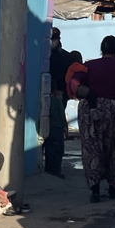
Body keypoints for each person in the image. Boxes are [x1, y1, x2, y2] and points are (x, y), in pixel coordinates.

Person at [68, 35, 115, 203]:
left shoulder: (89, 65)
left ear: (102, 50)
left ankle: (95, 191)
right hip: (114, 110)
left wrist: (89, 96)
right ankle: (113, 188)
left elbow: (75, 82)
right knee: (113, 149)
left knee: (91, 149)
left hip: (90, 110)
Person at [44, 28, 73, 178]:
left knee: (54, 132)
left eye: (53, 40)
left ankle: (54, 167)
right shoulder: (47, 55)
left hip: (59, 94)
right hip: (48, 94)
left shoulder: (63, 57)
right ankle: (52, 166)